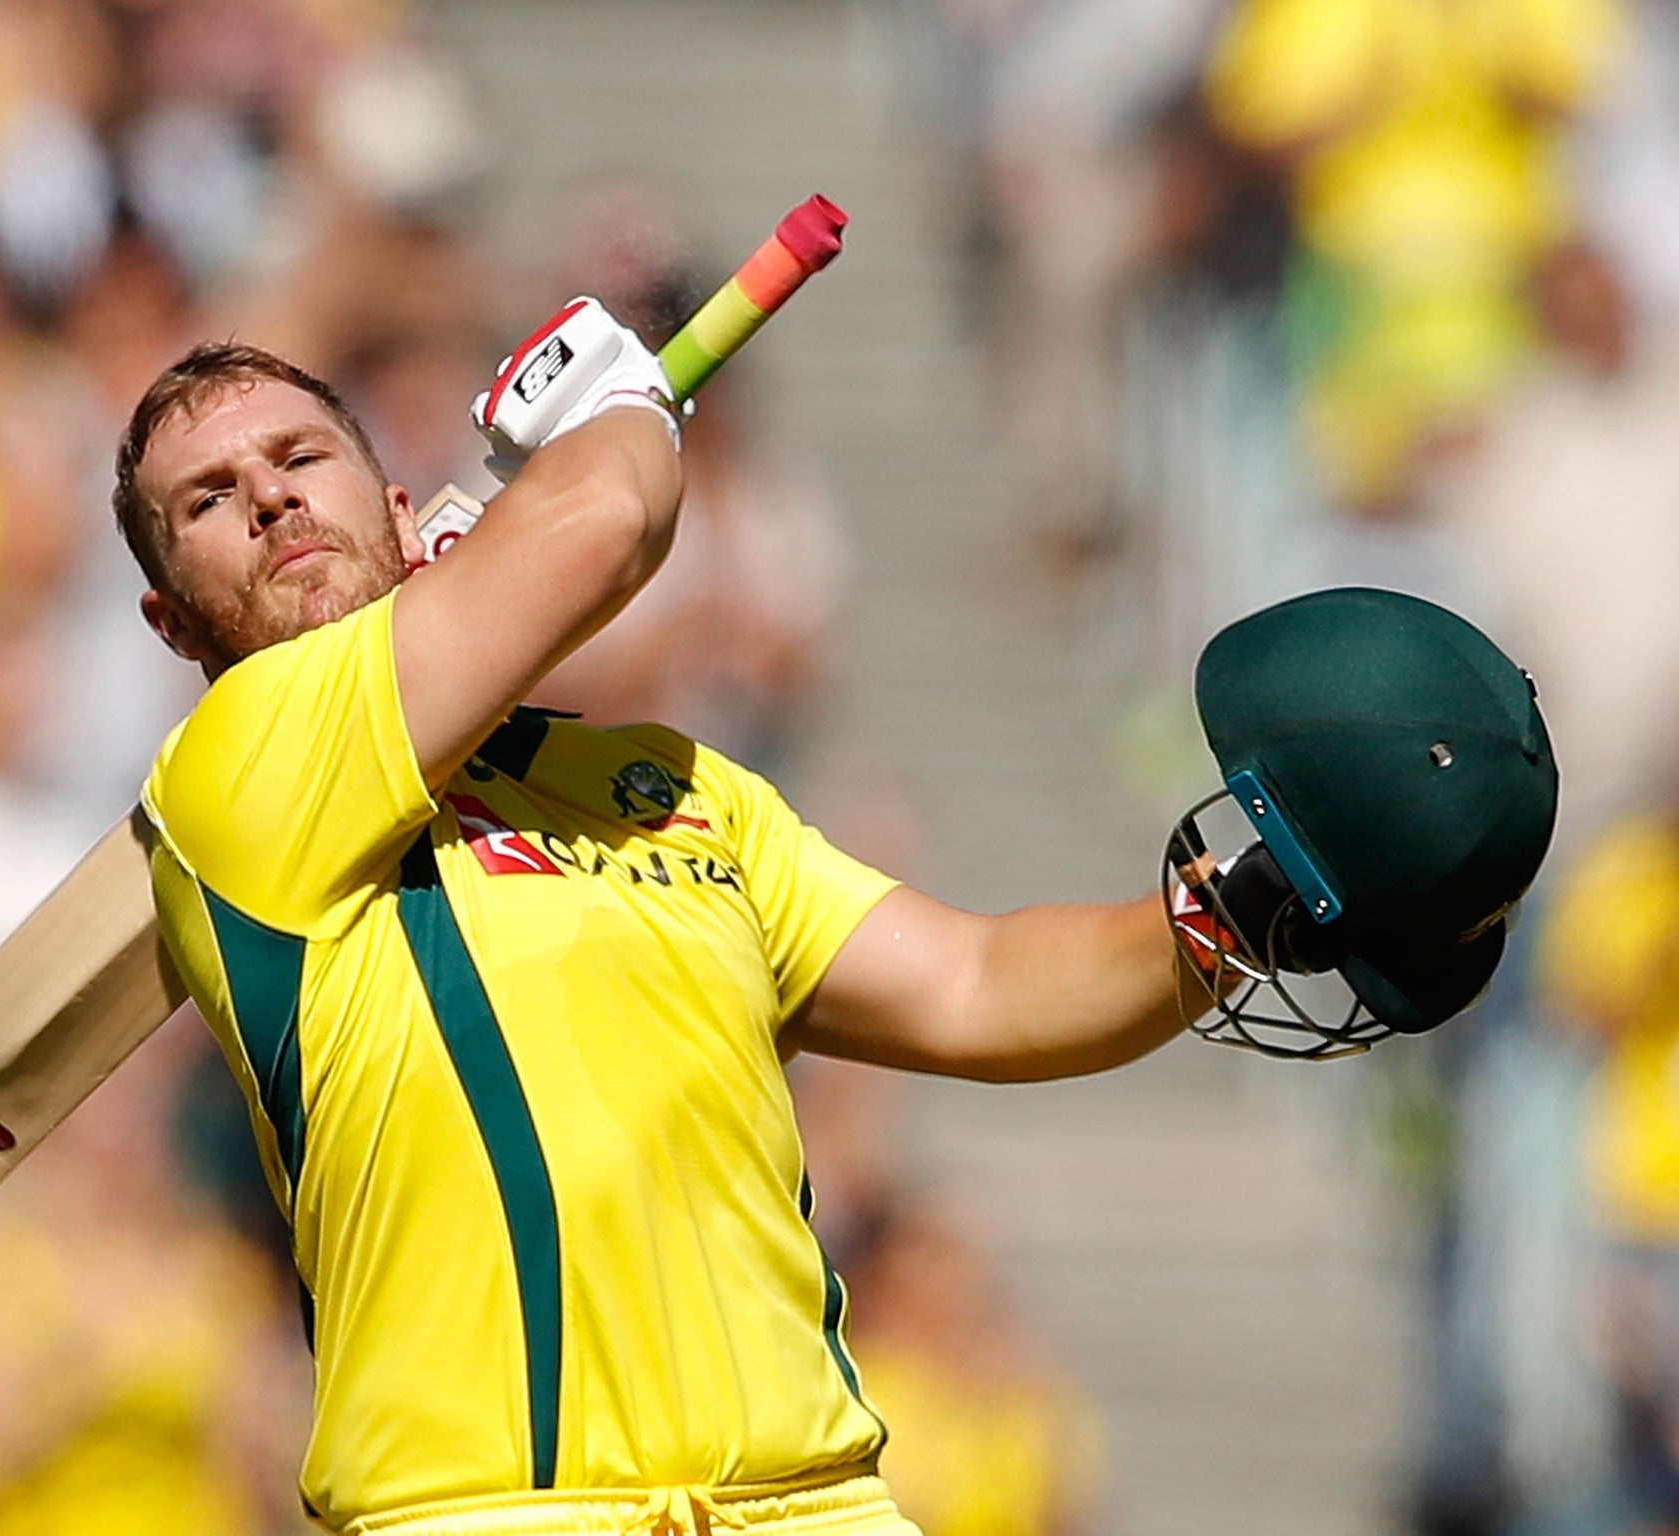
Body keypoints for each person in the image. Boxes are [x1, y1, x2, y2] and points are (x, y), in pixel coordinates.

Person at [110, 298, 1218, 1534]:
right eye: (208, 500)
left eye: (301, 459)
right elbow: (610, 518)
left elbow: (981, 984)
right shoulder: (233, 776)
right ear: (171, 621)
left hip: (815, 1506)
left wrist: (1234, 913)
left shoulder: (665, 785)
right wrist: (628, 402)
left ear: (405, 518)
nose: (268, 498)